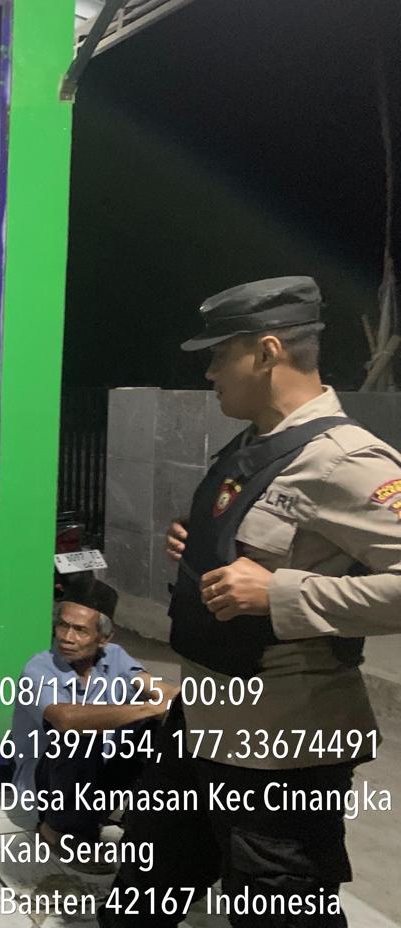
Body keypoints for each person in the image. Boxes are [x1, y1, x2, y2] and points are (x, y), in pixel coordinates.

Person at [99, 276, 401, 927]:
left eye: (219, 354)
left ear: (267, 352)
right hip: (203, 722)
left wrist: (280, 593)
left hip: (282, 748)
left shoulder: (345, 460)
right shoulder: (255, 446)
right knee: (136, 899)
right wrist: (204, 546)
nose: (210, 372)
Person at [8, 574, 175, 873]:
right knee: (80, 732)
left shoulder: (114, 657)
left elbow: (158, 689)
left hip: (98, 774)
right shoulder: (39, 668)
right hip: (50, 784)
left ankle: (141, 821)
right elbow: (66, 719)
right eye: (63, 625)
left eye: (80, 630)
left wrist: (172, 700)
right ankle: (57, 831)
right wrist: (147, 707)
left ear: (103, 638)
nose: (67, 637)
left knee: (160, 728)